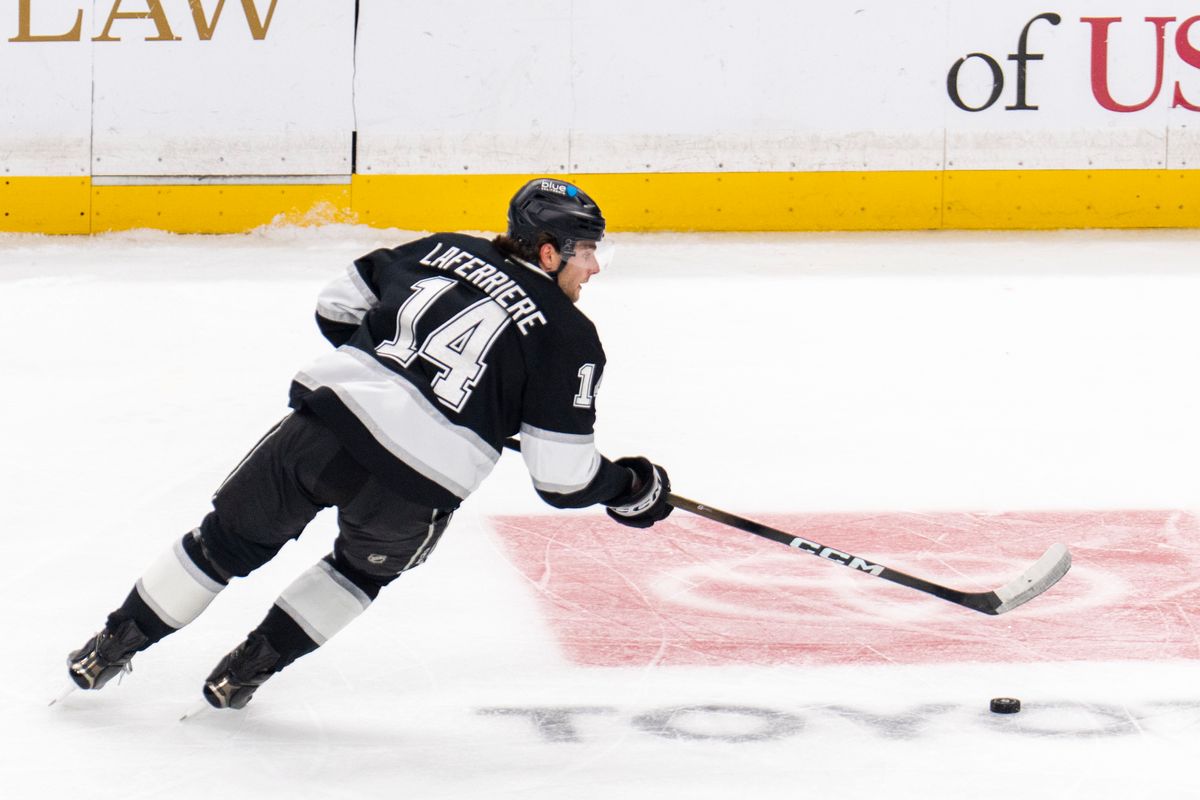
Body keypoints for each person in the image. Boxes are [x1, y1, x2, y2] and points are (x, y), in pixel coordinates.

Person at [66, 178, 672, 710]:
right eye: (588, 251)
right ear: (549, 252)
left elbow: (336, 306)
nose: (594, 267)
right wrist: (630, 488)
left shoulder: (440, 247)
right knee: (358, 571)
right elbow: (562, 479)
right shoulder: (570, 337)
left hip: (324, 428)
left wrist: (385, 365)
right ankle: (246, 671)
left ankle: (110, 647)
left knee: (222, 542)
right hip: (415, 486)